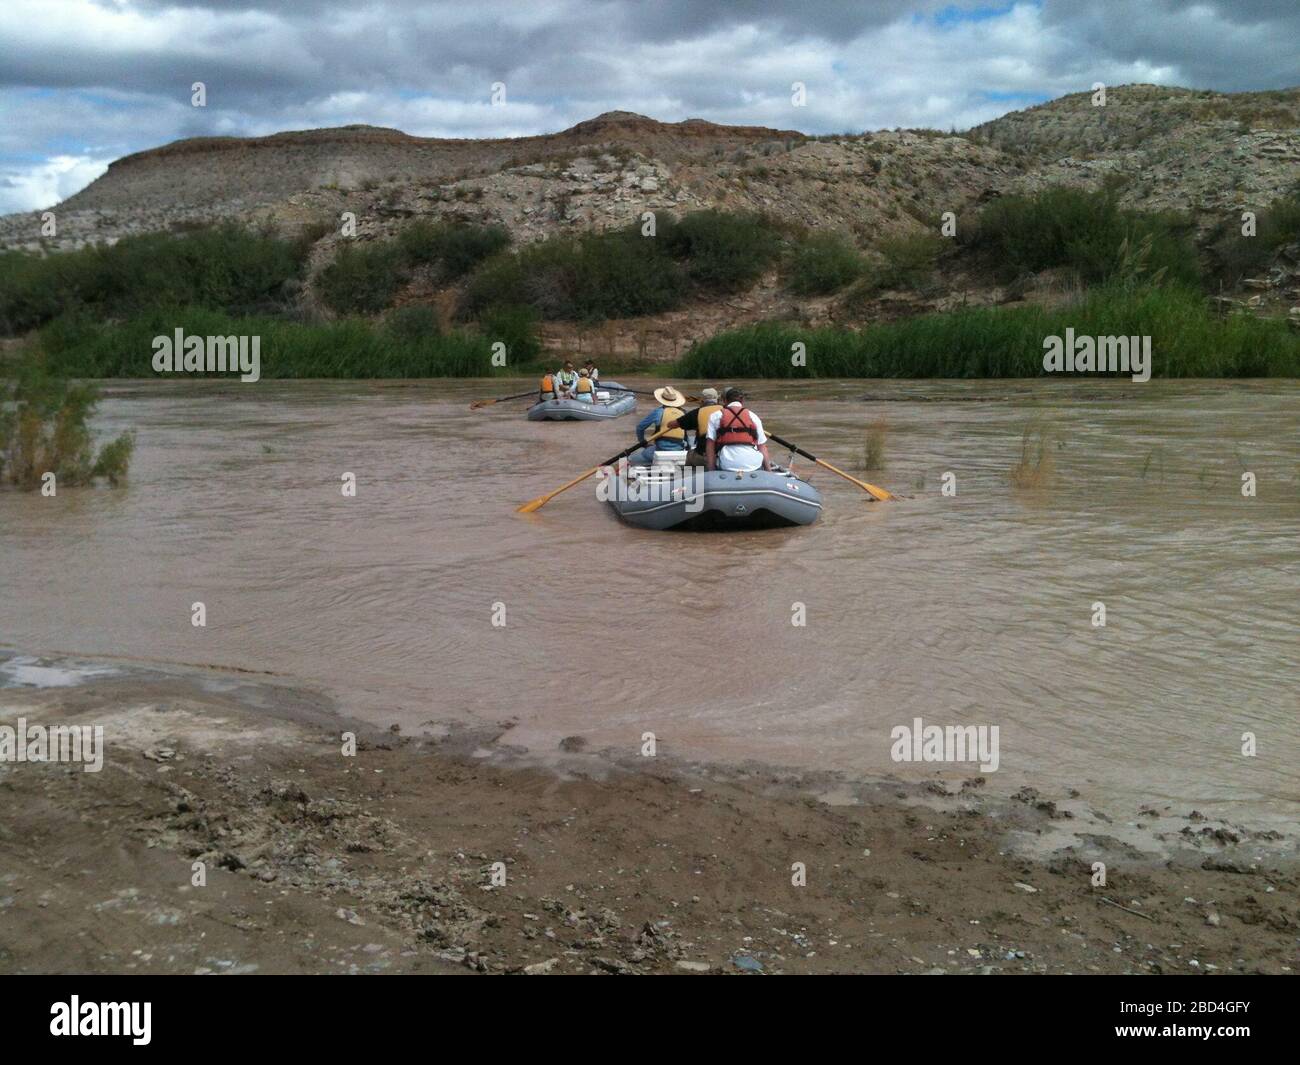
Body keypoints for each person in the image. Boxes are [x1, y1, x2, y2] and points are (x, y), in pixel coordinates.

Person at [706, 387, 773, 472]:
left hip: (727, 464)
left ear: (725, 401)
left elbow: (710, 446)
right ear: (742, 401)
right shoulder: (753, 416)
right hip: (753, 464)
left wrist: (711, 470)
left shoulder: (715, 416)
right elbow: (762, 447)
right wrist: (769, 472)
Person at [663, 388, 722, 466]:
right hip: (722, 456)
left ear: (701, 401)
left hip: (704, 456)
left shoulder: (696, 413)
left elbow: (671, 425)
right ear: (717, 400)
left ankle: (690, 476)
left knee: (690, 454)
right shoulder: (726, 411)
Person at [635, 386, 689, 464]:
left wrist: (643, 443)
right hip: (678, 450)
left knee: (644, 453)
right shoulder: (683, 413)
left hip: (661, 450)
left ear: (662, 400)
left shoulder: (658, 412)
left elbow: (640, 428)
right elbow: (685, 436)